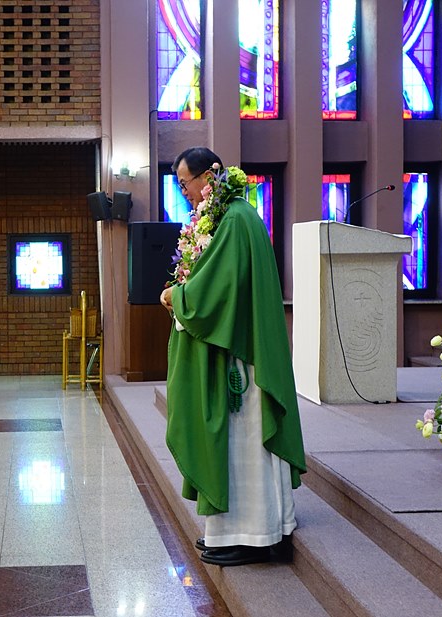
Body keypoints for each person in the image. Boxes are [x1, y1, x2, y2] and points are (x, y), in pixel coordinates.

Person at [159, 147, 306, 567]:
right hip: (239, 347)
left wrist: (177, 296)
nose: (184, 193)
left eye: (185, 184)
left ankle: (253, 536)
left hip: (242, 359)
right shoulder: (230, 217)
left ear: (209, 176)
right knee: (240, 448)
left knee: (243, 446)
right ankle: (238, 531)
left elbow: (216, 291)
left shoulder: (236, 220)